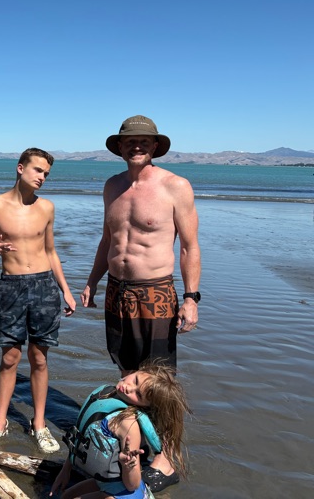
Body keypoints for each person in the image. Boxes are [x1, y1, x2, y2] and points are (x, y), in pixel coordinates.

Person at [80, 115, 201, 492]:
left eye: (144, 141)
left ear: (155, 147)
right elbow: (108, 239)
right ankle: (141, 445)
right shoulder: (112, 186)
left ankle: (167, 459)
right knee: (128, 375)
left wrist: (191, 297)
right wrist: (92, 281)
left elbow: (189, 246)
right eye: (130, 141)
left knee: (160, 381)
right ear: (119, 146)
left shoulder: (175, 186)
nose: (137, 145)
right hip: (117, 292)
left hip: (156, 294)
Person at [0, 148, 76, 453]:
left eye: (46, 174)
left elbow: (51, 251)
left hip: (44, 286)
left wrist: (66, 290)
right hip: (11, 287)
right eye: (38, 170)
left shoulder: (47, 208)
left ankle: (39, 424)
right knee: (9, 358)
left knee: (39, 359)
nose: (42, 177)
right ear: (20, 168)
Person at [50, 362, 191, 499]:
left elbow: (132, 485)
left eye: (138, 394)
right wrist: (65, 470)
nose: (130, 388)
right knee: (66, 496)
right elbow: (80, 438)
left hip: (125, 494)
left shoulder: (128, 423)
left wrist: (128, 465)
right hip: (108, 484)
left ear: (145, 405)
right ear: (137, 371)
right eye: (135, 380)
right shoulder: (105, 394)